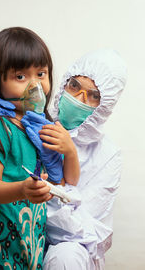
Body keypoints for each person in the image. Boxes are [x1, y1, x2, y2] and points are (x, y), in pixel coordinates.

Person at [0, 26, 79, 270]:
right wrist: (23, 189)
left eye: (41, 74)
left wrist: (70, 150)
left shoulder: (42, 127)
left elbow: (68, 182)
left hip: (27, 241)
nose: (35, 86)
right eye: (20, 77)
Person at [21, 48, 127, 269]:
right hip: (17, 229)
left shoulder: (108, 155)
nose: (79, 98)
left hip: (70, 247)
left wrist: (53, 185)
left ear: (105, 106)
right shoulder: (34, 120)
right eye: (75, 86)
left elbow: (81, 229)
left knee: (65, 257)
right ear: (64, 83)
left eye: (94, 95)